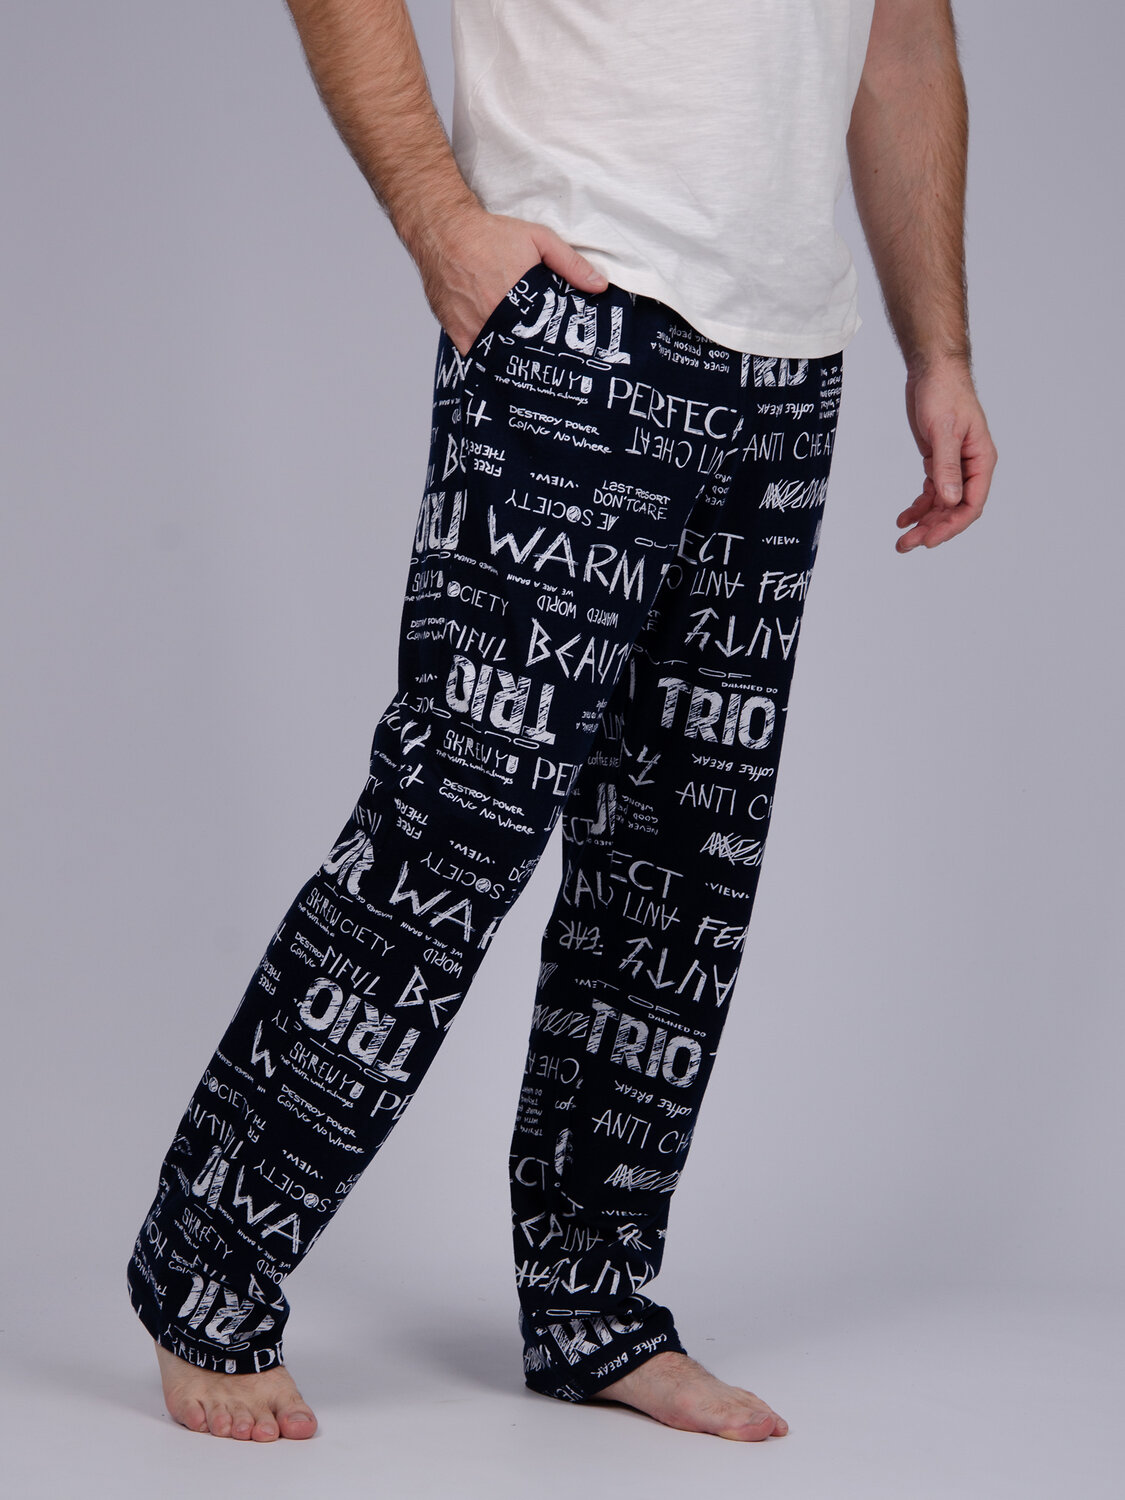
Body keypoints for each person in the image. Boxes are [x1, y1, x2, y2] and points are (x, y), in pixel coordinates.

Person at [128, 0, 998, 1444]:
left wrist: (940, 349)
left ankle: (593, 1304)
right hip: (577, 316)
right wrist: (439, 223)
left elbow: (904, 42)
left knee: (679, 866)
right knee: (454, 822)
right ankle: (206, 1268)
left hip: (788, 359)